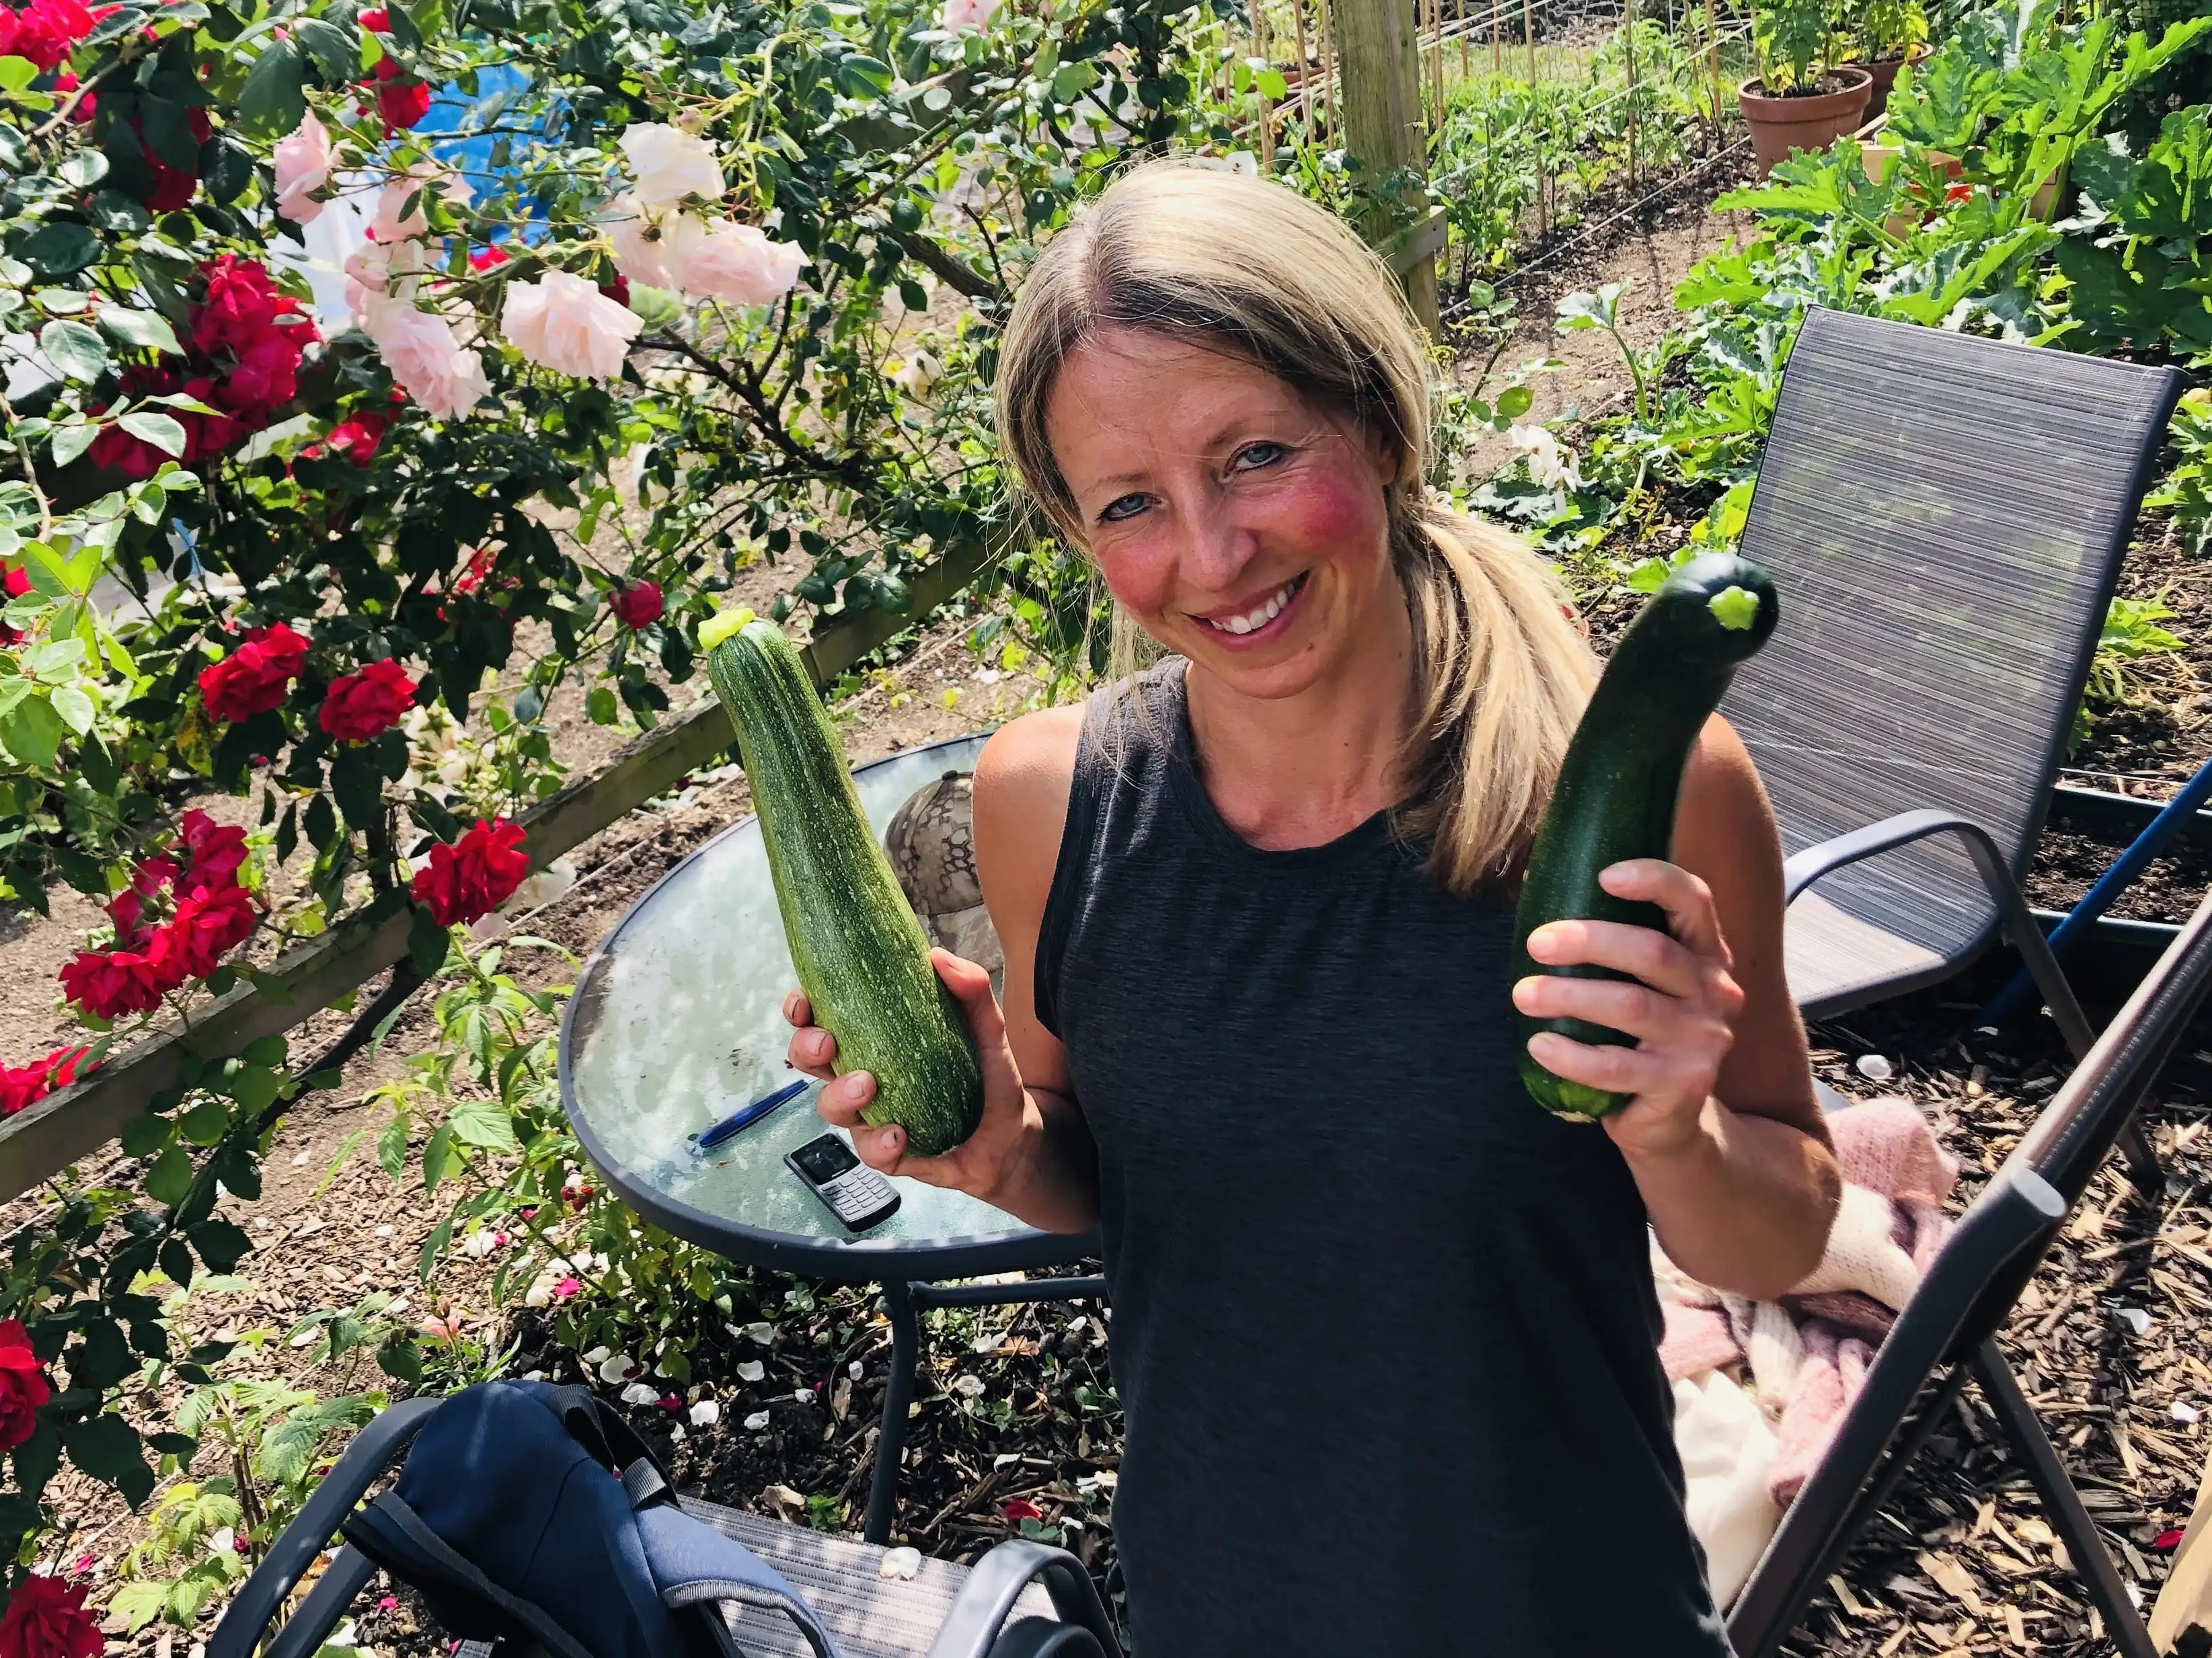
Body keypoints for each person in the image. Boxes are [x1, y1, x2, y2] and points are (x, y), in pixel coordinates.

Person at [783, 161, 1841, 1655]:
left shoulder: (1641, 793)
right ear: (1078, 533)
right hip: (1221, 1599)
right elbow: (1115, 1187)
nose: (1212, 558)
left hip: (1564, 1605)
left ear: (1383, 424)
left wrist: (1675, 1128)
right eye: (1132, 502)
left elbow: (1784, 1240)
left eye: (1259, 455)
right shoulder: (1049, 803)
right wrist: (999, 1149)